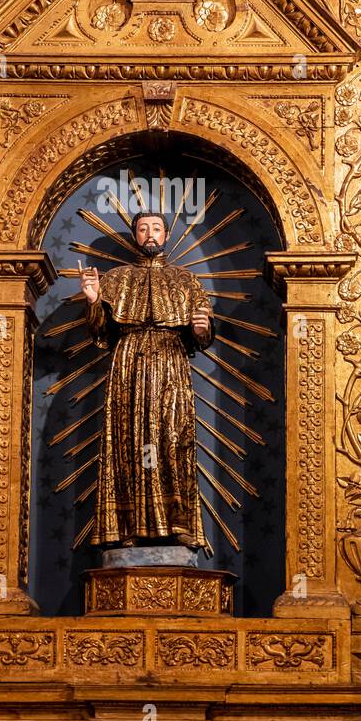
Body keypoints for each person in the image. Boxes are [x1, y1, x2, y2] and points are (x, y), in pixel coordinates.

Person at [81, 211, 212, 548]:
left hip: (170, 364)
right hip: (129, 362)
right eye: (143, 229)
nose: (150, 234)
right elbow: (101, 332)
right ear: (134, 236)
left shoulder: (185, 280)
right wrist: (95, 300)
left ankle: (178, 522)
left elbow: (201, 332)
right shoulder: (115, 279)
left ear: (166, 235)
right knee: (129, 441)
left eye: (156, 229)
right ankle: (128, 526)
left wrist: (201, 329)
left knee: (172, 439)